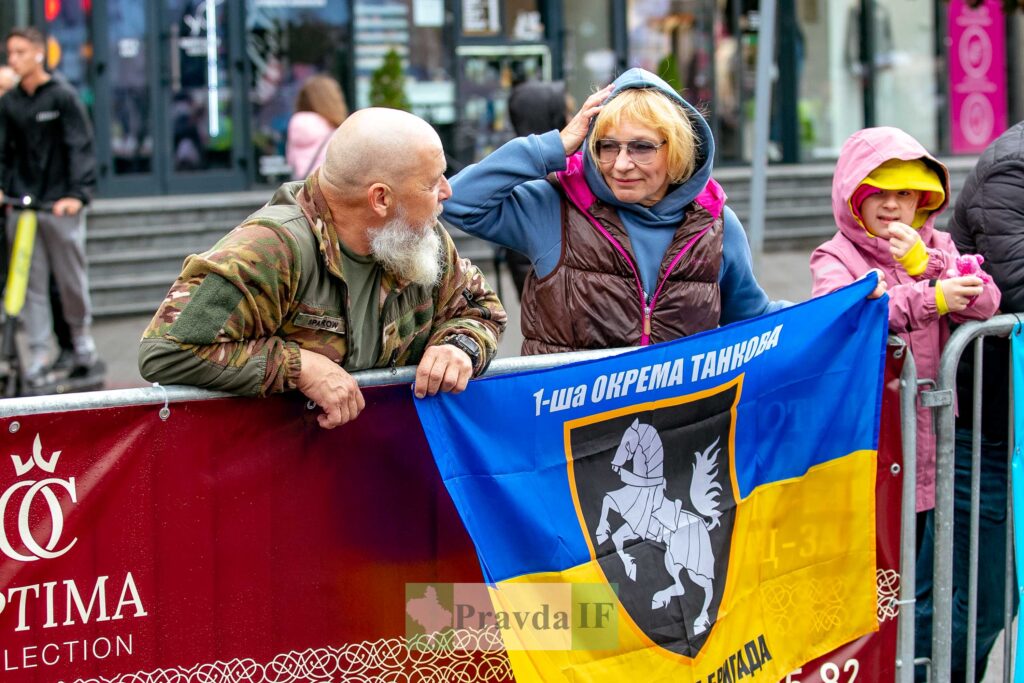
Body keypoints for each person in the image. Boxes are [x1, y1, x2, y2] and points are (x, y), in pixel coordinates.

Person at [139, 108, 506, 429]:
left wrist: (460, 346)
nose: (447, 191)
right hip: (280, 481)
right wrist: (299, 367)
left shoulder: (419, 236)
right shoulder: (270, 249)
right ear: (381, 198)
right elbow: (167, 350)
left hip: (380, 476)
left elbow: (482, 310)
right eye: (431, 182)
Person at [442, 68, 788, 355]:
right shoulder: (556, 207)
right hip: (568, 430)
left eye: (641, 147)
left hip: (678, 428)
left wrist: (835, 313)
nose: (621, 164)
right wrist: (555, 146)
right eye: (607, 146)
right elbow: (458, 202)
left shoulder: (716, 225)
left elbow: (754, 320)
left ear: (678, 149)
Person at [915, 120, 1024, 682]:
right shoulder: (1013, 171)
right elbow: (1018, 285)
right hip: (986, 425)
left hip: (1005, 421)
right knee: (979, 598)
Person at [0, 27, 99, 383]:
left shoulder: (63, 97)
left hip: (61, 206)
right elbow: (4, 153)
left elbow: (80, 148)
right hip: (24, 208)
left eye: (20, 52)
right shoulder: (9, 103)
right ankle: (40, 353)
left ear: (39, 54)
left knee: (71, 280)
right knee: (32, 286)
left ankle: (82, 344)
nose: (13, 59)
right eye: (10, 53)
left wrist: (77, 195)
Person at [501, 79, 572, 298]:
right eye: (566, 113)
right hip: (552, 296)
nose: (571, 119)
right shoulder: (527, 173)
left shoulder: (564, 163)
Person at [286, 74, 348, 181]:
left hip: (304, 186)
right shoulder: (334, 128)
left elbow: (290, 160)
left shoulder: (295, 122)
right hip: (328, 187)